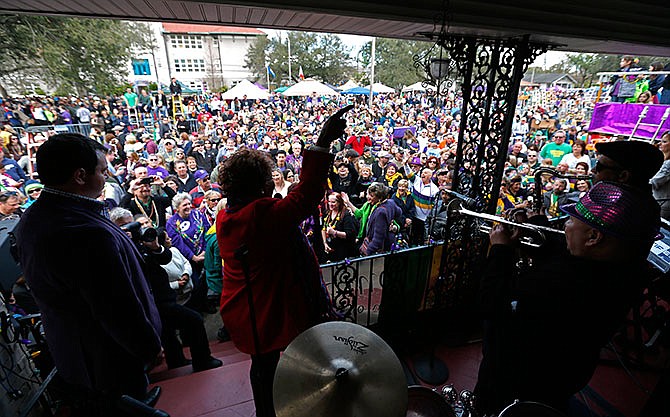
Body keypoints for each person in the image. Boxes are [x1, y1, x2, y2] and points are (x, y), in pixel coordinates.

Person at [475, 181, 660, 415]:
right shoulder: (629, 268)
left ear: (594, 236)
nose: (565, 227)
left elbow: (490, 304)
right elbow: (569, 254)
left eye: (571, 221)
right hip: (569, 374)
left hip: (515, 376)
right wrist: (536, 225)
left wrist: (500, 251)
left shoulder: (555, 282)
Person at [216, 105, 352, 417]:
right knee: (297, 361)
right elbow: (306, 196)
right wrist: (323, 140)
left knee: (262, 367)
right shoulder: (259, 215)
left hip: (247, 308)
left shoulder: (229, 213)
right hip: (267, 309)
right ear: (260, 185)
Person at [14, 133, 162, 414]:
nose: (107, 178)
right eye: (103, 171)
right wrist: (148, 346)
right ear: (80, 176)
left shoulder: (38, 216)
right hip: (106, 359)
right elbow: (114, 306)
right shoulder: (82, 232)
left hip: (83, 356)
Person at [359, 182, 402, 256]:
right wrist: (390, 221)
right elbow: (399, 212)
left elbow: (378, 239)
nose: (368, 197)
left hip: (384, 248)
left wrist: (367, 252)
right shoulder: (391, 202)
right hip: (390, 241)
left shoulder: (380, 212)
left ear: (380, 198)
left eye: (372, 196)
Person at [321, 191, 357, 262]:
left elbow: (350, 234)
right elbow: (323, 229)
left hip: (343, 251)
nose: (330, 204)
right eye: (329, 202)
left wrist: (334, 232)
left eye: (333, 202)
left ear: (339, 202)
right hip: (330, 249)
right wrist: (325, 243)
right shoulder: (328, 213)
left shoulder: (346, 215)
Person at [651, 131, 670, 220]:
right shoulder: (663, 161)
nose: (659, 144)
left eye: (664, 142)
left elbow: (655, 182)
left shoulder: (669, 164)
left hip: (663, 203)